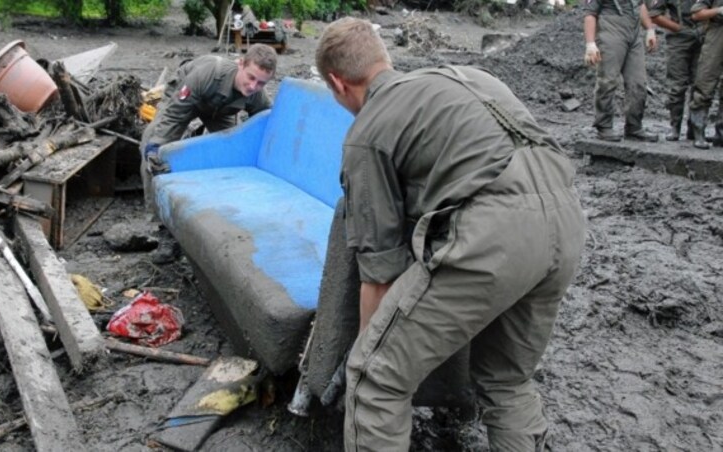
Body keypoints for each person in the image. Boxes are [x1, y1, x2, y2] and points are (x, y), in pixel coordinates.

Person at [316, 17, 586, 452]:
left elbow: (380, 272)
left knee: (375, 379)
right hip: (567, 220)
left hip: (497, 232)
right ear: (384, 60)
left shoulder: (367, 132)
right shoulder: (471, 77)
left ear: (337, 83)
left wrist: (369, 348)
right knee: (507, 380)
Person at [139, 44, 277, 211]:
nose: (253, 87)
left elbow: (266, 123)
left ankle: (221, 202)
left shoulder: (257, 95)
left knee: (231, 153)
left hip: (220, 111)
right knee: (152, 146)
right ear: (240, 64)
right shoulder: (207, 74)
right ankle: (155, 214)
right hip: (186, 97)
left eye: (261, 83)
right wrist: (156, 143)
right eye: (250, 77)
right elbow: (174, 115)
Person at [583, 0, 660, 142]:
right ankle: (604, 126)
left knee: (638, 82)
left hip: (634, 34)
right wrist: (590, 44)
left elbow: (639, 5)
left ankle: (634, 127)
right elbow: (590, 13)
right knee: (608, 80)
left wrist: (649, 29)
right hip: (611, 31)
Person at [649, 0, 704, 141]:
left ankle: (695, 128)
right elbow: (654, 14)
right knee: (677, 85)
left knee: (700, 84)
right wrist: (677, 28)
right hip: (678, 40)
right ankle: (675, 127)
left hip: (703, 37)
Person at [687, 0, 723, 149]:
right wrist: (719, 10)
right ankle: (698, 132)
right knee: (705, 82)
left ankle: (721, 135)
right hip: (717, 32)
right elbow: (696, 14)